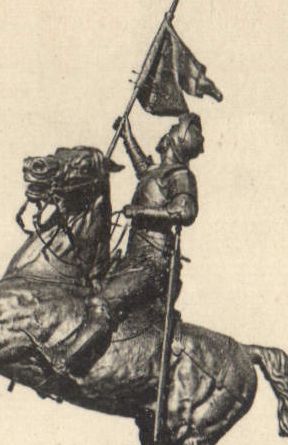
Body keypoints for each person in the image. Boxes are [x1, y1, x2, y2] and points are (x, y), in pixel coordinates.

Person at [47, 111, 204, 378]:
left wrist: (140, 213)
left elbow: (184, 212)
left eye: (174, 128)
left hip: (153, 265)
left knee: (102, 303)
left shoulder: (181, 176)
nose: (167, 132)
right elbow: (142, 168)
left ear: (178, 140)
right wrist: (127, 136)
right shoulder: (158, 172)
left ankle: (66, 363)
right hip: (133, 259)